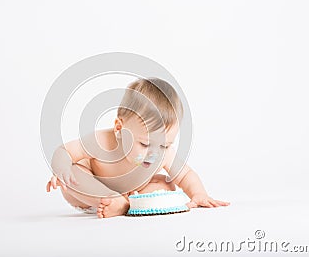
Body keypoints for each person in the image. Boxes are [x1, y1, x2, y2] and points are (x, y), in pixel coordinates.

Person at [46, 77, 230, 218]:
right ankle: (112, 200)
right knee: (74, 174)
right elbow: (64, 151)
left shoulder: (161, 154)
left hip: (129, 193)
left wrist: (198, 194)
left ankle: (124, 204)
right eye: (145, 144)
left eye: (165, 145)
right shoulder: (101, 141)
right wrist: (62, 169)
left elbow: (185, 174)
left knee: (167, 183)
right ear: (119, 128)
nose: (154, 153)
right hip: (90, 194)